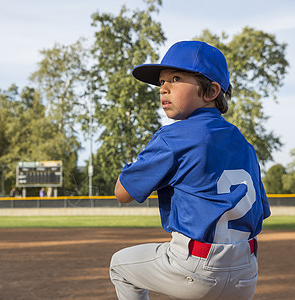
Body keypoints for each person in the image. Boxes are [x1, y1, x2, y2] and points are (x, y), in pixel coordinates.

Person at [110, 41, 271, 300]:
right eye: (162, 82)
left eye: (176, 78)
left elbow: (122, 193)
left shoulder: (173, 137)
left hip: (195, 266)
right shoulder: (244, 143)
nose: (164, 87)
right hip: (246, 271)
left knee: (120, 266)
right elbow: (261, 212)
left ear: (211, 91)